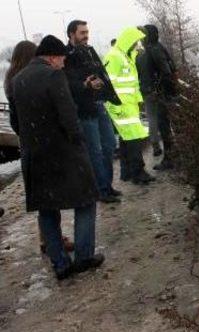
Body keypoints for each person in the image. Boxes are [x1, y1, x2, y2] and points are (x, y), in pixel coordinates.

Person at [12, 35, 104, 280]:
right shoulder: (53, 76)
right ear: (52, 56)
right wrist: (78, 142)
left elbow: (15, 122)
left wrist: (35, 140)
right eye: (62, 58)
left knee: (47, 209)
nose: (64, 63)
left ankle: (61, 265)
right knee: (86, 200)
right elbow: (69, 116)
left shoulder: (17, 80)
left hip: (35, 156)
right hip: (63, 153)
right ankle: (84, 258)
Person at [3, 40, 74, 254]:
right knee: (51, 199)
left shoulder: (11, 81)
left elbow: (15, 121)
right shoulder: (37, 79)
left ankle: (48, 240)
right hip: (45, 145)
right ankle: (53, 241)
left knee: (42, 200)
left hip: (28, 147)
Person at [65, 20, 123, 203]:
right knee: (95, 151)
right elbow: (68, 83)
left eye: (87, 32)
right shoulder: (66, 55)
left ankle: (108, 185)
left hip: (99, 103)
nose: (86, 35)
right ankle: (102, 189)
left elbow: (101, 71)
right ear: (71, 34)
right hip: (84, 109)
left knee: (109, 146)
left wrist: (108, 91)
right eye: (82, 32)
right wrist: (85, 84)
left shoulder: (89, 50)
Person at [104, 26, 155, 185]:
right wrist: (116, 106)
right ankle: (138, 172)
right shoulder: (115, 57)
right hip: (121, 106)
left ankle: (128, 172)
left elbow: (132, 84)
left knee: (128, 139)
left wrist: (138, 101)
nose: (137, 45)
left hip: (128, 105)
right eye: (136, 42)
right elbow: (108, 83)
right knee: (133, 139)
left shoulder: (126, 56)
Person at [136, 24, 178, 170]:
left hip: (160, 96)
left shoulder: (154, 49)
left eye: (142, 35)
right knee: (166, 126)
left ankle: (170, 159)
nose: (140, 39)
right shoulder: (156, 48)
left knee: (165, 127)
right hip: (162, 95)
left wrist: (159, 91)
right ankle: (172, 156)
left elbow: (166, 72)